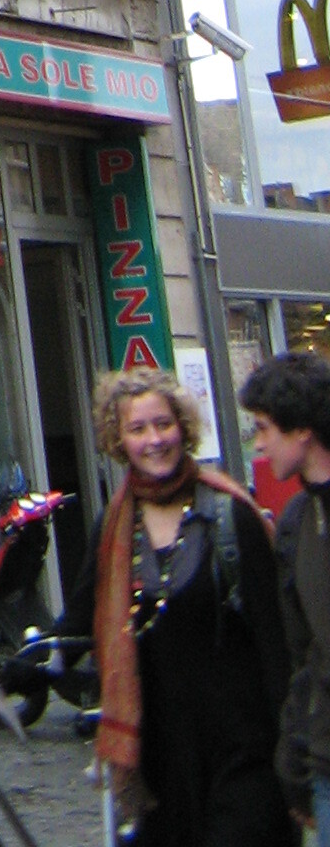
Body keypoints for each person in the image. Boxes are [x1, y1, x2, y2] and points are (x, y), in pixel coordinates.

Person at [58, 366, 287, 847]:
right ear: (119, 440)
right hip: (161, 762)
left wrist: (292, 752)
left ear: (183, 428)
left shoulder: (229, 513)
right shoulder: (115, 527)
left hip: (242, 751)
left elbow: (275, 640)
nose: (154, 440)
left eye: (163, 424)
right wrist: (3, 676)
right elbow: (77, 625)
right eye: (138, 429)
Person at [237, 349, 330, 847]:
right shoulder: (296, 520)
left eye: (264, 428)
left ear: (302, 430)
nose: (259, 443)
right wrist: (294, 754)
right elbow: (303, 652)